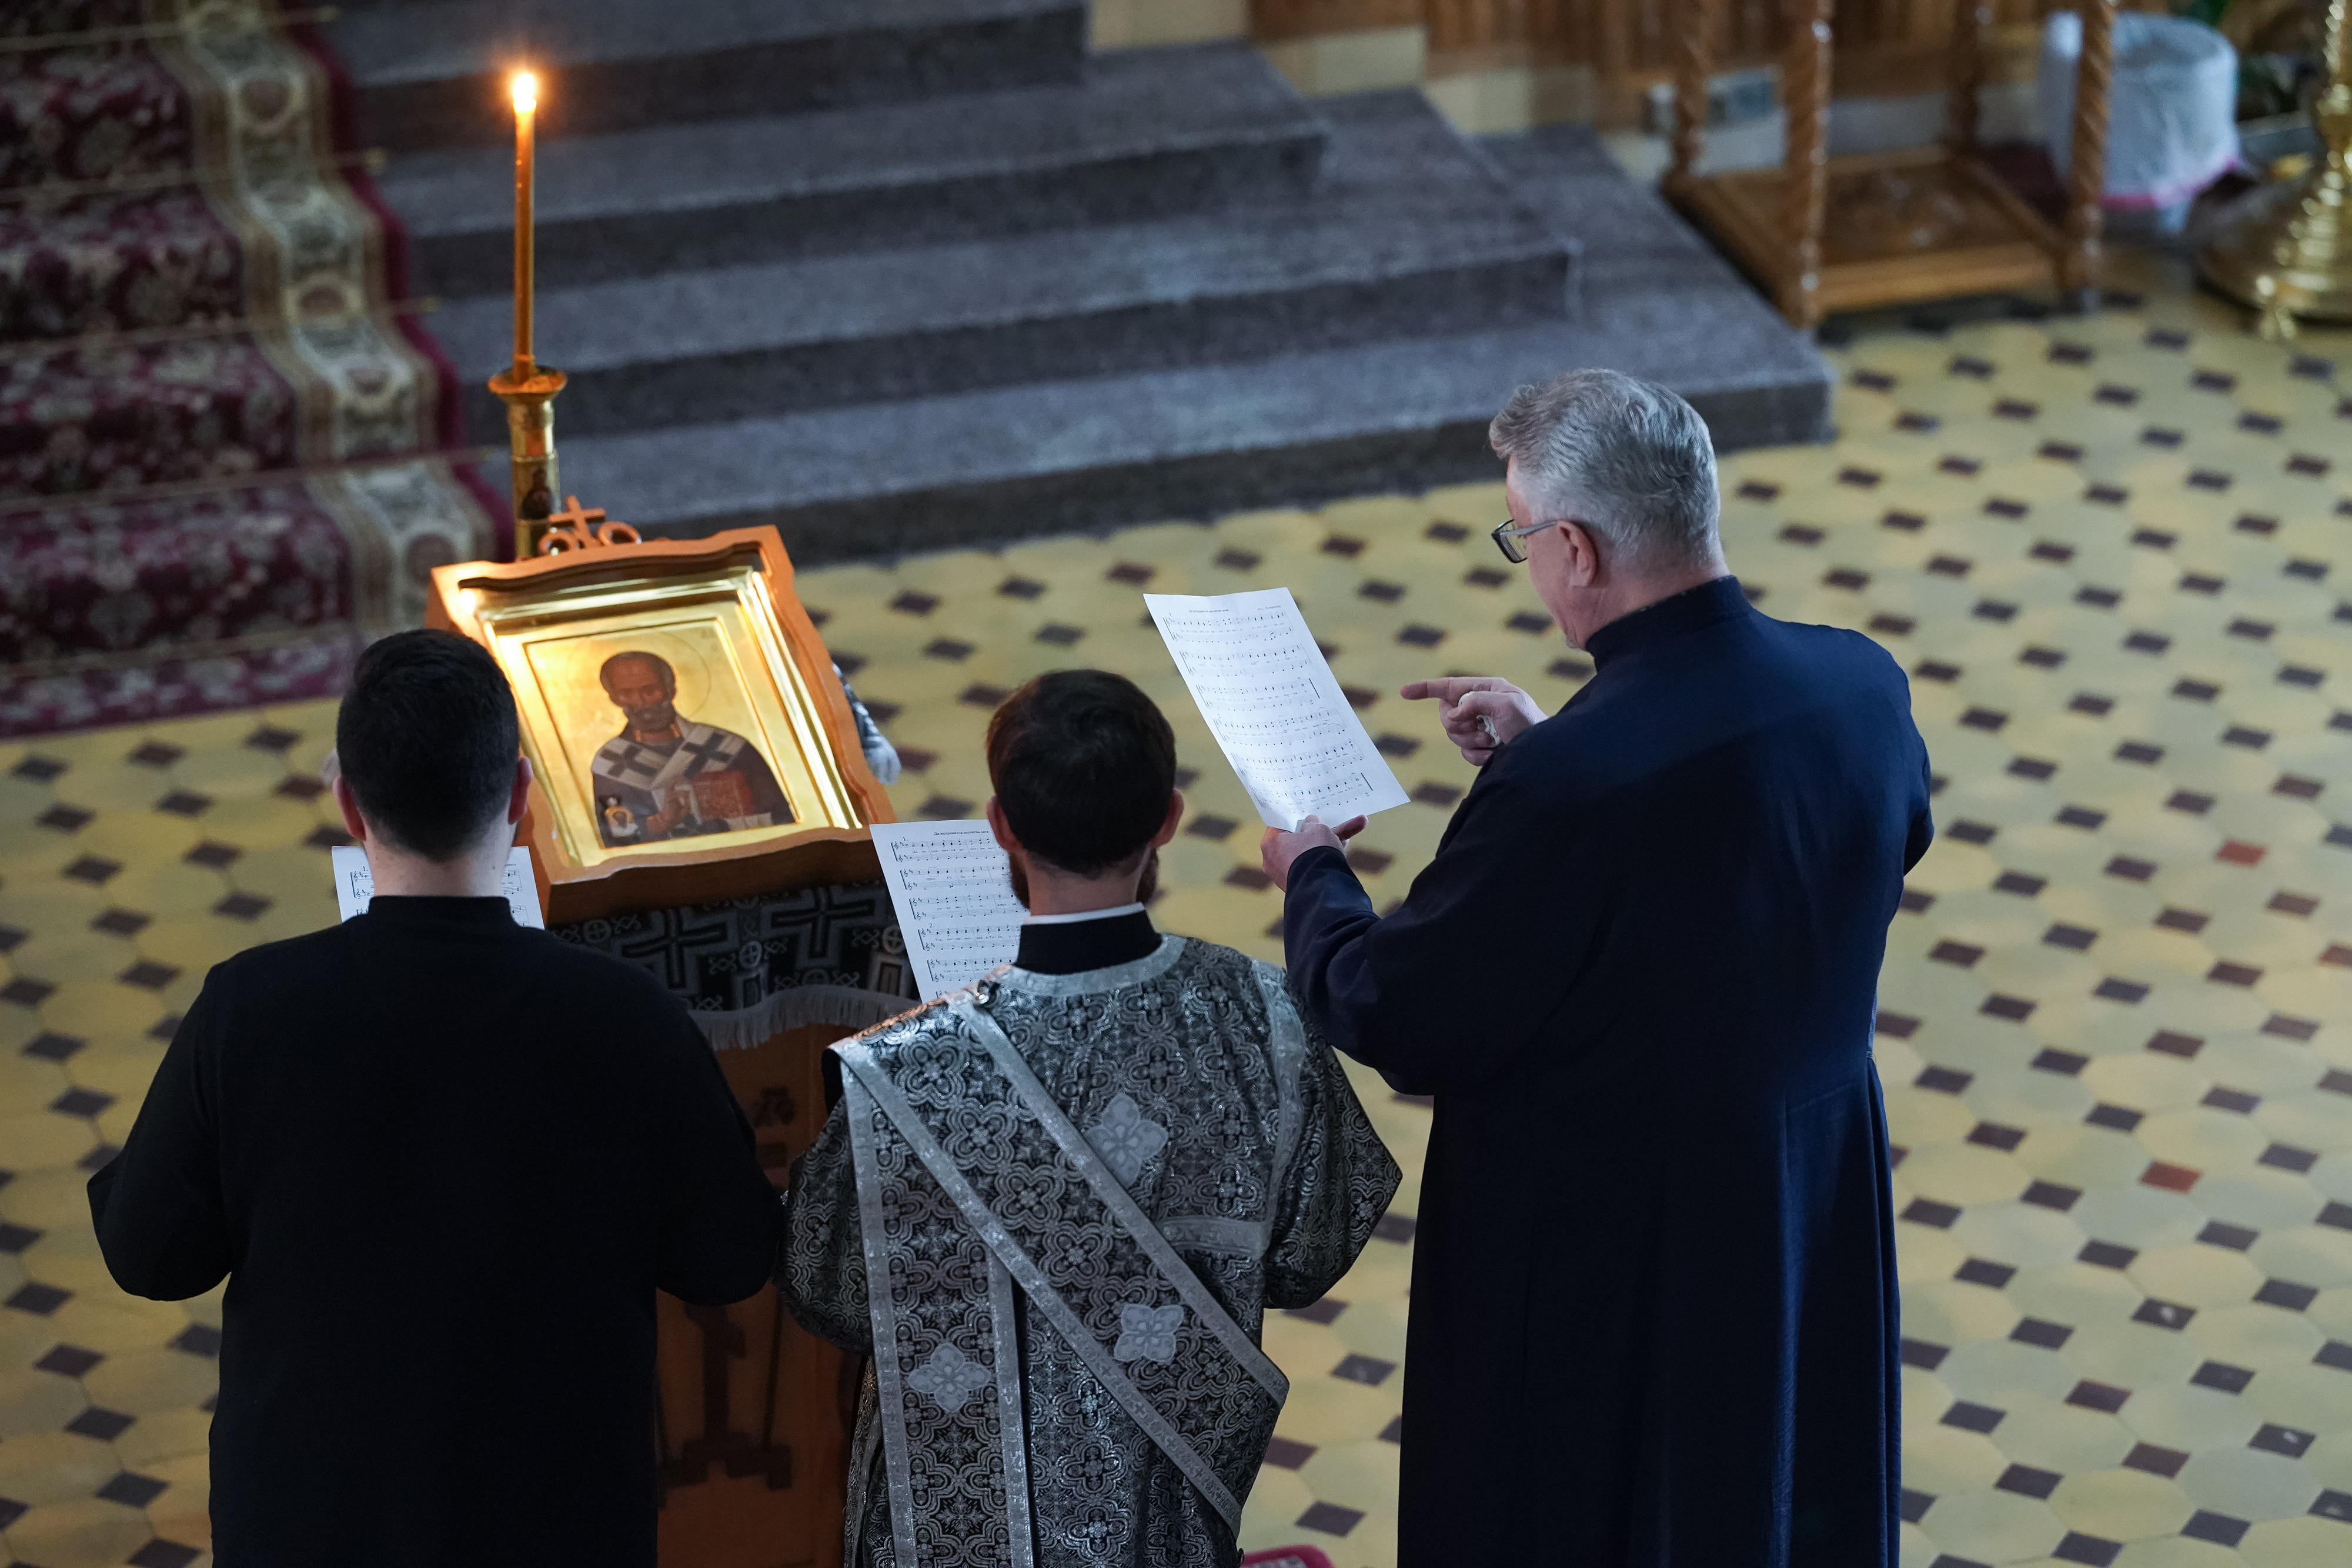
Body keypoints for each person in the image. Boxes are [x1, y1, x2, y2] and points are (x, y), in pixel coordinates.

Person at [1262, 369, 1932, 1567]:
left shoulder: (1573, 788)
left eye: (1520, 532)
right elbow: (1822, 871)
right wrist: (1555, 742)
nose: (1525, 554)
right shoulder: (1859, 687)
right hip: (1800, 1202)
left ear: (1572, 547)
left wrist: (1312, 873)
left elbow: (1395, 1006)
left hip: (1609, 1248)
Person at [89, 628, 782, 1568]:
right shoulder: (627, 1017)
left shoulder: (251, 1008)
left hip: (312, 1519)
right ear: (522, 799)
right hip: (556, 1516)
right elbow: (731, 1255)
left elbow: (149, 1254)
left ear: (348, 805)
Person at [781, 670, 1401, 1568]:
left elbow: (825, 1284)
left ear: (1000, 824)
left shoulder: (907, 1071)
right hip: (1166, 1512)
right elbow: (1310, 1252)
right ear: (1169, 820)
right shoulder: (1267, 1019)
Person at [592, 649, 792, 844]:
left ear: (671, 690)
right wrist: (661, 822)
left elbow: (781, 818)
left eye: (650, 691)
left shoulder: (728, 748)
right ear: (614, 698)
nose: (640, 702)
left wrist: (723, 826)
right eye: (626, 694)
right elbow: (616, 838)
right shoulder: (611, 763)